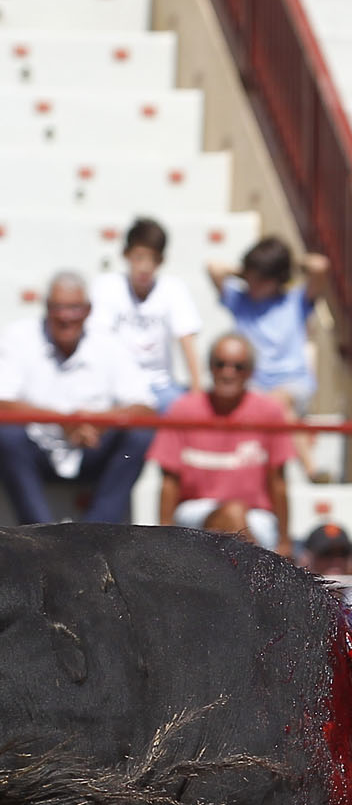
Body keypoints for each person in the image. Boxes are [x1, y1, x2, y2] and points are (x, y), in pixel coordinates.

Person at [0, 271, 154, 524]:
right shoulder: (18, 337)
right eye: (57, 308)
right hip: (36, 453)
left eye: (73, 308)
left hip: (91, 450)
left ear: (88, 310)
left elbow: (146, 409)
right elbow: (2, 402)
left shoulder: (110, 343)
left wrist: (95, 421)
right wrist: (64, 421)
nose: (64, 317)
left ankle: (95, 533)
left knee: (140, 434)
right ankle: (40, 535)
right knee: (6, 433)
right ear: (46, 308)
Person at [150, 333, 294, 554]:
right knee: (233, 514)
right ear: (210, 368)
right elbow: (169, 482)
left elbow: (279, 482)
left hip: (257, 516)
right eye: (220, 364)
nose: (228, 373)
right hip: (195, 513)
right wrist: (163, 539)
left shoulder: (270, 413)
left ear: (250, 372)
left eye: (238, 366)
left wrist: (285, 541)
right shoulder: (182, 411)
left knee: (234, 514)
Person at [208, 236, 328, 422]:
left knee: (275, 407)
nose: (254, 284)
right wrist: (247, 271)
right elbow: (213, 267)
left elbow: (319, 266)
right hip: (250, 384)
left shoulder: (297, 301)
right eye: (251, 278)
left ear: (278, 279)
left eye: (261, 280)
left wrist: (286, 266)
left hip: (291, 383)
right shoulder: (240, 300)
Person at [89, 216, 203, 412]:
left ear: (162, 261)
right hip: (117, 388)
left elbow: (187, 340)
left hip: (161, 388)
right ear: (126, 254)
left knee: (182, 409)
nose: (146, 267)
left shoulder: (174, 289)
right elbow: (98, 340)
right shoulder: (106, 287)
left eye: (154, 259)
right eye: (139, 257)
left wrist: (197, 396)